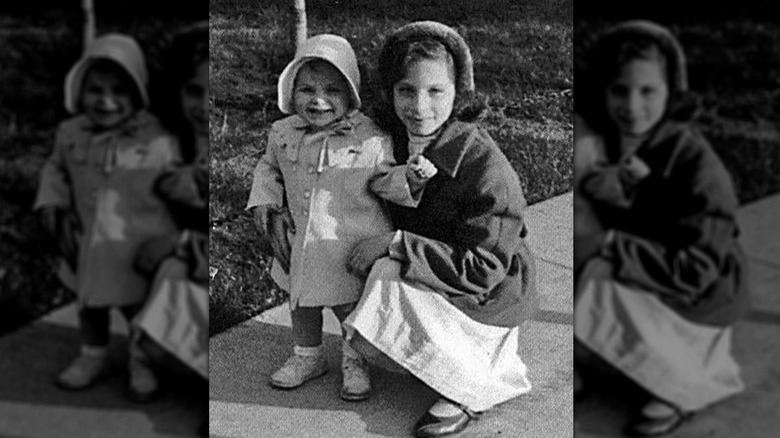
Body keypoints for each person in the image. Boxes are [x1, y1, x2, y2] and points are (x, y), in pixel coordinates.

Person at [342, 21, 538, 438]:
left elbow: (484, 269)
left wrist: (397, 243)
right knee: (380, 282)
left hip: (486, 294)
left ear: (458, 94)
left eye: (436, 92)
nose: (420, 106)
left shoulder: (484, 165)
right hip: (443, 276)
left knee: (387, 276)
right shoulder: (393, 141)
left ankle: (469, 386)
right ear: (390, 92)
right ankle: (436, 361)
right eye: (406, 91)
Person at [573, 20, 749, 437]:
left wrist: (612, 243)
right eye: (620, 90)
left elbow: (698, 267)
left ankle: (683, 382)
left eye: (648, 91)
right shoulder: (611, 144)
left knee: (596, 281)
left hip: (696, 288)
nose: (632, 105)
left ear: (671, 92)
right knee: (589, 280)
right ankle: (624, 357)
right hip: (645, 266)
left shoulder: (698, 165)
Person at [247, 34, 435, 401]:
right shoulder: (282, 133)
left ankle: (355, 360)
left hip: (345, 242)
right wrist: (265, 203)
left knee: (349, 305)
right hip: (300, 239)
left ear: (351, 94)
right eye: (307, 89)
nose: (319, 100)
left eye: (333, 90)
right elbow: (267, 169)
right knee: (301, 303)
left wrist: (409, 178)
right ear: (291, 90)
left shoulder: (369, 138)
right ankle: (307, 355)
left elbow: (383, 179)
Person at [34, 34, 180, 399]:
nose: (106, 101)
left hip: (134, 243)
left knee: (137, 309)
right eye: (95, 90)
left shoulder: (155, 141)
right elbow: (56, 170)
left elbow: (177, 185)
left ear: (137, 94)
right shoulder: (70, 134)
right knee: (89, 305)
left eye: (119, 90)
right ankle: (92, 354)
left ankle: (140, 359)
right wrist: (51, 203)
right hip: (87, 240)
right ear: (78, 90)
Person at [131, 21, 209, 406]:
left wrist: (182, 241)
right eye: (194, 91)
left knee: (177, 275)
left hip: (194, 254)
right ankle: (146, 351)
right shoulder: (168, 143)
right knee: (169, 275)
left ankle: (169, 357)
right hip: (167, 256)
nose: (203, 106)